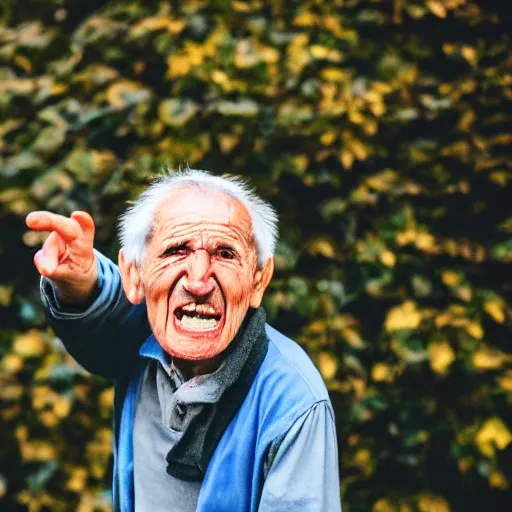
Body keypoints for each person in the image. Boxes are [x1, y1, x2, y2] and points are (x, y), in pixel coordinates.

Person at [26, 169, 341, 511]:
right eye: (177, 250)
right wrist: (77, 281)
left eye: (225, 254)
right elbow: (98, 310)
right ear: (134, 275)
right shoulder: (139, 334)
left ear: (258, 282)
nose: (198, 281)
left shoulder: (293, 401)